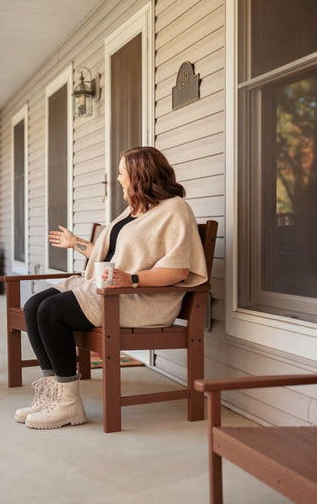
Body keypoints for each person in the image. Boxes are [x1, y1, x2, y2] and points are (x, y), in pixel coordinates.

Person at [16, 146, 208, 429]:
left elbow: (179, 269)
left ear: (139, 175)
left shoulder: (175, 210)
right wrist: (77, 242)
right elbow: (112, 257)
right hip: (110, 289)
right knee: (33, 305)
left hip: (140, 299)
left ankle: (69, 404)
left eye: (121, 173)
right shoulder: (135, 210)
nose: (118, 179)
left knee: (51, 311)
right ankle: (54, 394)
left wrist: (131, 280)